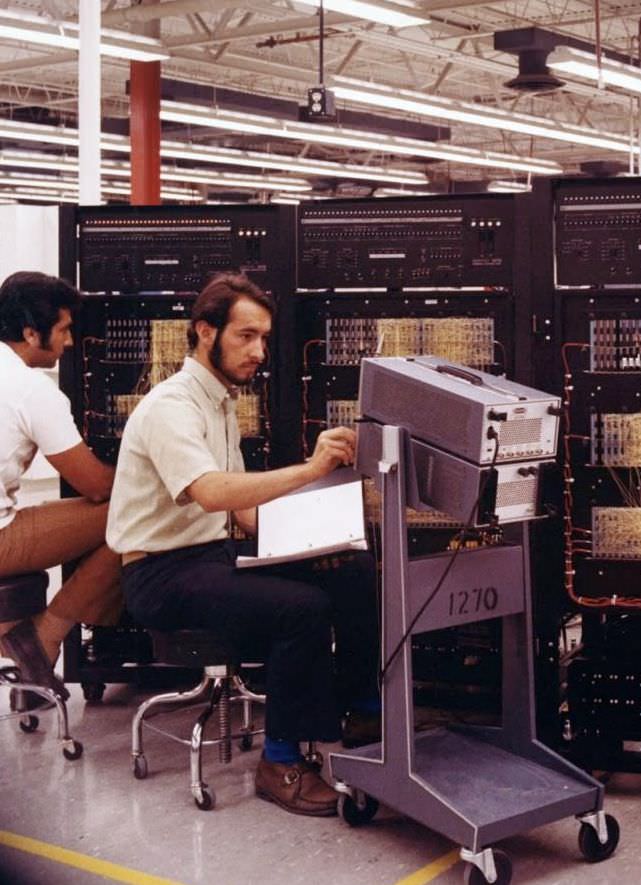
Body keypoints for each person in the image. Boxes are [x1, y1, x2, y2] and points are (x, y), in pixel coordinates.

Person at [107, 272, 380, 817]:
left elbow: (245, 515)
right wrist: (311, 468)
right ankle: (279, 763)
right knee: (299, 608)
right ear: (205, 332)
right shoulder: (172, 406)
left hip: (207, 557)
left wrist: (322, 535)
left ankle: (364, 714)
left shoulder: (221, 402)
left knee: (351, 569)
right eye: (246, 336)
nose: (259, 351)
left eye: (263, 338)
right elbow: (211, 494)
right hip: (159, 574)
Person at [0, 271, 120, 702]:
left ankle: (23, 641)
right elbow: (94, 486)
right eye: (64, 330)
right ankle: (43, 637)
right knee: (137, 514)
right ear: (32, 333)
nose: (69, 342)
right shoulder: (31, 389)